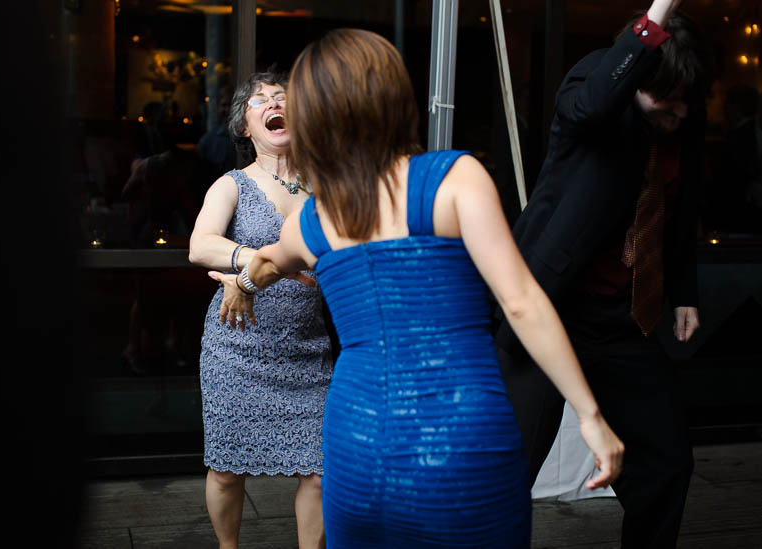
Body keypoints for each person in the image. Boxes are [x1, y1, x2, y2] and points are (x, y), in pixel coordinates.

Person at [209, 29, 623, 547]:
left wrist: (241, 282)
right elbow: (520, 301)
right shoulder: (455, 178)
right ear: (392, 97)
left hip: (355, 435)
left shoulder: (313, 218)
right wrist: (590, 414)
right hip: (460, 432)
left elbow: (266, 263)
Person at [493, 1, 714, 547]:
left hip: (621, 319)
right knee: (503, 471)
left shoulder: (680, 115)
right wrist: (658, 10)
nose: (680, 113)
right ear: (637, 74)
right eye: (667, 99)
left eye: (687, 101)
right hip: (549, 311)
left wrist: (683, 291)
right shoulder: (595, 85)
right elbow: (592, 107)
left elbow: (681, 207)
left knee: (666, 465)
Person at [188, 71, 333, 549]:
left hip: (308, 351)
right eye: (260, 101)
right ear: (245, 128)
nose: (274, 103)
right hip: (236, 347)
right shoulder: (231, 184)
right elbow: (200, 246)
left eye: (283, 98)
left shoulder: (326, 187)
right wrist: (256, 264)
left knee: (318, 471)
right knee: (228, 470)